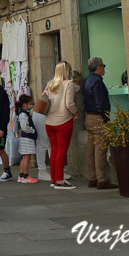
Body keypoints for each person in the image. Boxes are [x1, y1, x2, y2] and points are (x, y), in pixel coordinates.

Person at [42, 61, 79, 189]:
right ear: (66, 71)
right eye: (69, 70)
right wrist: (76, 113)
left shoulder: (50, 84)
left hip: (49, 122)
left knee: (54, 151)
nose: (71, 72)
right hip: (63, 121)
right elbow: (69, 104)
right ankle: (59, 180)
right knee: (61, 152)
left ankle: (54, 178)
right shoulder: (68, 84)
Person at [83, 57, 117, 190]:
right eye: (103, 65)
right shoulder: (97, 82)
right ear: (98, 67)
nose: (104, 68)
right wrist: (105, 117)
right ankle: (102, 179)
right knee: (101, 150)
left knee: (91, 150)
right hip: (98, 117)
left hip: (89, 117)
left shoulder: (87, 80)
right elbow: (100, 102)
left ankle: (92, 178)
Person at [15, 95, 38, 184]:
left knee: (24, 157)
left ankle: (21, 175)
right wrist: (32, 130)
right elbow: (25, 127)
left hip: (24, 138)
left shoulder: (21, 113)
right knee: (27, 157)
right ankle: (25, 175)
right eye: (29, 104)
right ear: (25, 104)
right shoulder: (23, 114)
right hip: (27, 138)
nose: (30, 105)